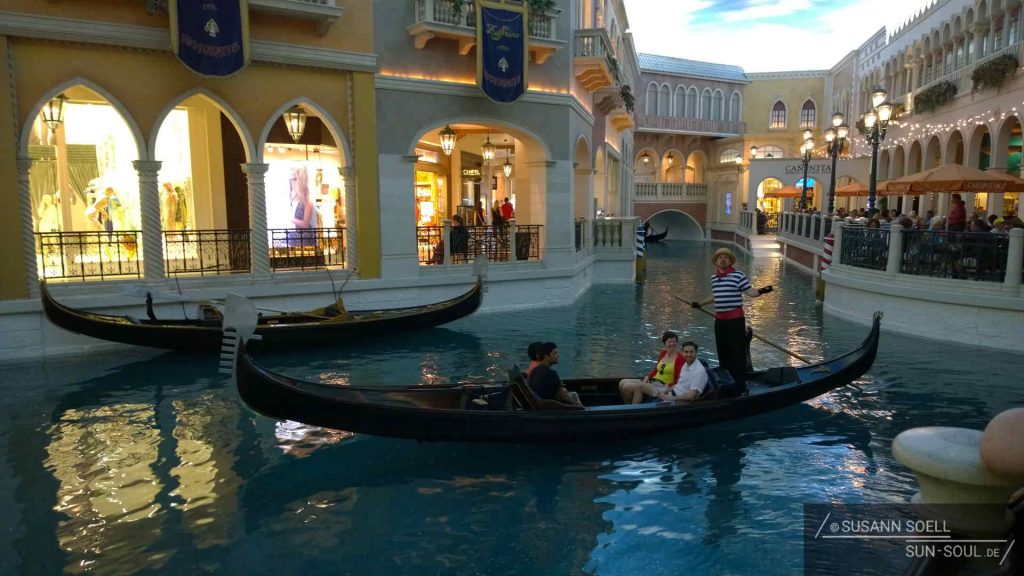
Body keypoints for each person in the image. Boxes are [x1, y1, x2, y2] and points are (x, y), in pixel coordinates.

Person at [691, 248, 773, 395]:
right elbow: (715, 295)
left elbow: (750, 292)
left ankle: (741, 388)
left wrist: (762, 291)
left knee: (737, 354)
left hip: (735, 321)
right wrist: (700, 303)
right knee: (723, 353)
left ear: (730, 261)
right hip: (720, 321)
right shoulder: (714, 278)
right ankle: (727, 385)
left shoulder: (738, 276)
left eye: (726, 258)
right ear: (716, 261)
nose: (723, 259)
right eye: (720, 257)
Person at [618, 330, 685, 404]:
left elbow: (678, 380)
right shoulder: (663, 353)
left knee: (628, 387)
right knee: (622, 382)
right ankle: (627, 405)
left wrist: (667, 390)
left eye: (674, 341)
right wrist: (648, 377)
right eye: (669, 342)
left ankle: (632, 408)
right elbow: (656, 369)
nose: (672, 344)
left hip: (663, 387)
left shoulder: (680, 358)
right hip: (653, 381)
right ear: (665, 343)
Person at [527, 342, 582, 407]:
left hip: (543, 406)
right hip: (555, 407)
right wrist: (577, 406)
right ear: (546, 356)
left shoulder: (534, 371)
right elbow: (563, 396)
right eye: (555, 353)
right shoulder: (551, 374)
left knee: (573, 395)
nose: (558, 355)